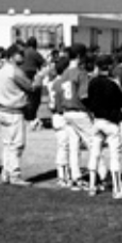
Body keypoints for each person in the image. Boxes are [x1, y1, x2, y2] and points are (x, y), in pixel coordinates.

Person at [84, 54, 122, 199]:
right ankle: (117, 189)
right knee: (115, 156)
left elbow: (88, 101)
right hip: (110, 122)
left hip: (97, 121)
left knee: (94, 154)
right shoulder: (112, 83)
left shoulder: (92, 82)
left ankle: (92, 186)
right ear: (109, 67)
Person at [0, 43, 40, 185]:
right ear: (12, 56)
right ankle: (14, 175)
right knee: (17, 145)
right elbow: (31, 87)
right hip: (14, 111)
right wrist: (40, 77)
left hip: (2, 109)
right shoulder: (15, 71)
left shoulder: (1, 70)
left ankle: (6, 173)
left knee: (7, 144)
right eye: (20, 54)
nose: (23, 57)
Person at [59, 43, 96, 190]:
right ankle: (99, 177)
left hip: (67, 112)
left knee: (73, 146)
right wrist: (92, 110)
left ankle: (76, 177)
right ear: (80, 56)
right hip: (80, 112)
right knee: (94, 144)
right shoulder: (81, 73)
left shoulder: (64, 72)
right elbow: (84, 96)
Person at [46, 55, 73, 188]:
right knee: (64, 147)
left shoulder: (54, 82)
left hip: (56, 115)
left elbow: (50, 105)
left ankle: (65, 174)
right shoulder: (63, 82)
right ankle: (63, 176)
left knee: (64, 146)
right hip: (61, 115)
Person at [21, 36, 46, 128]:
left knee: (24, 97)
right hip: (31, 76)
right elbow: (44, 64)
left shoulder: (23, 52)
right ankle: (31, 116)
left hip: (20, 77)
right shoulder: (35, 53)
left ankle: (25, 115)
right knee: (34, 98)